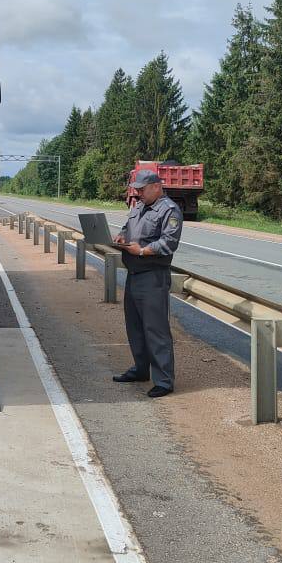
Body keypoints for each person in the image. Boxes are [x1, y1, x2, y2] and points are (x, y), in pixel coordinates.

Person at [112, 168, 183, 397]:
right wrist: (122, 237)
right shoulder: (139, 206)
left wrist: (142, 251)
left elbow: (169, 243)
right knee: (135, 327)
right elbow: (128, 227)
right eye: (137, 190)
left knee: (156, 329)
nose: (139, 194)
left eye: (142, 190)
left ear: (156, 186)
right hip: (134, 274)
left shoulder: (169, 210)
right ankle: (141, 369)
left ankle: (163, 380)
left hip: (153, 275)